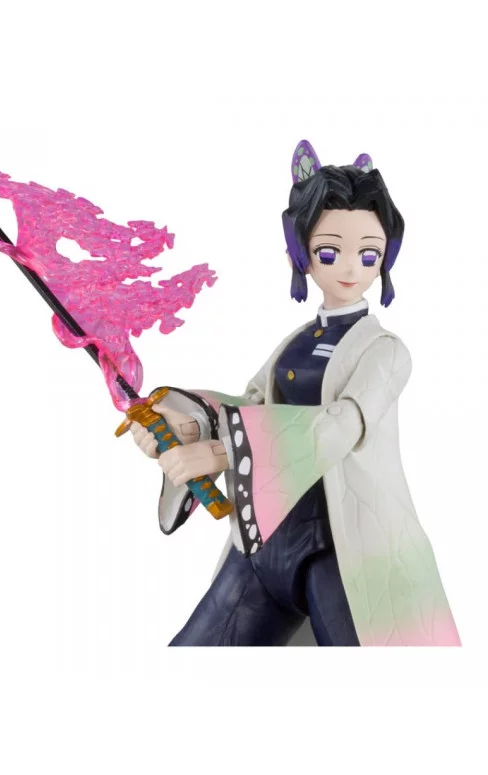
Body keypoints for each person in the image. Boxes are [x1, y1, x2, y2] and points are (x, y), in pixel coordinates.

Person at [131, 140, 461, 647]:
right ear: (301, 253)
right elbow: (250, 406)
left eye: (368, 255)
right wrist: (180, 420)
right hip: (267, 540)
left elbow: (340, 426)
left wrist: (220, 453)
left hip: (340, 549)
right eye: (330, 252)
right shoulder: (296, 343)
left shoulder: (385, 352)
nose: (350, 269)